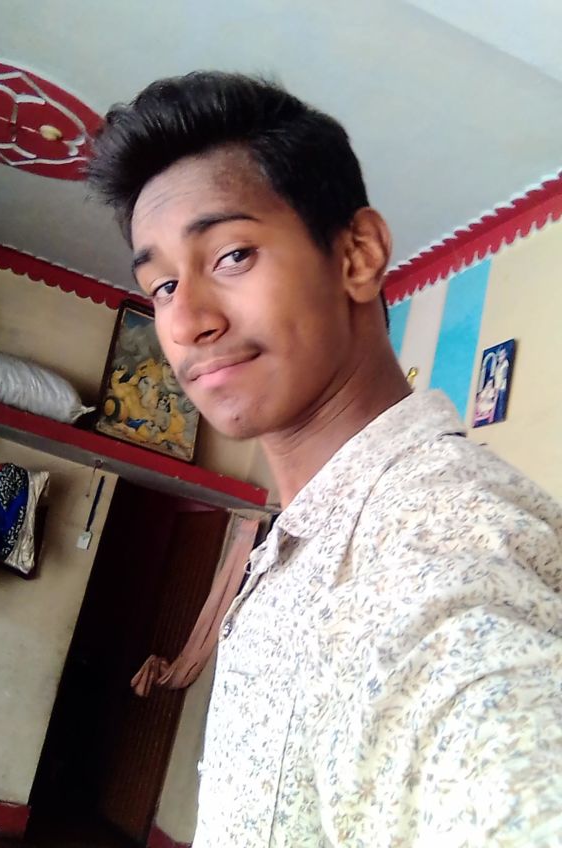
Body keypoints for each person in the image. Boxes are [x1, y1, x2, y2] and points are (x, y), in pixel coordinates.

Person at [88, 72, 562, 847]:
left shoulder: (436, 537)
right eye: (164, 284)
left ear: (358, 255)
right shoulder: (302, 536)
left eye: (232, 255)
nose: (186, 321)